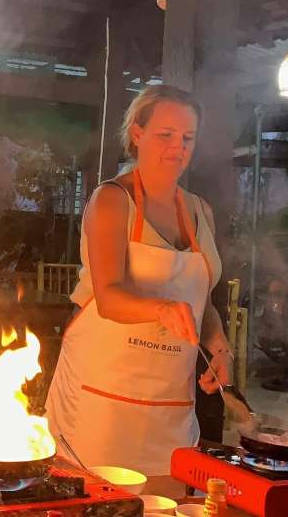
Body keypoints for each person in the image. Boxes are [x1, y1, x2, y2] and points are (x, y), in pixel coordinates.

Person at [45, 85, 232, 476]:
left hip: (169, 402)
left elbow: (203, 300)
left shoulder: (201, 211)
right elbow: (109, 299)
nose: (177, 147)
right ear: (137, 134)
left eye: (187, 138)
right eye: (165, 134)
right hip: (103, 398)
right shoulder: (113, 200)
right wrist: (162, 310)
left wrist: (219, 347)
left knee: (166, 501)